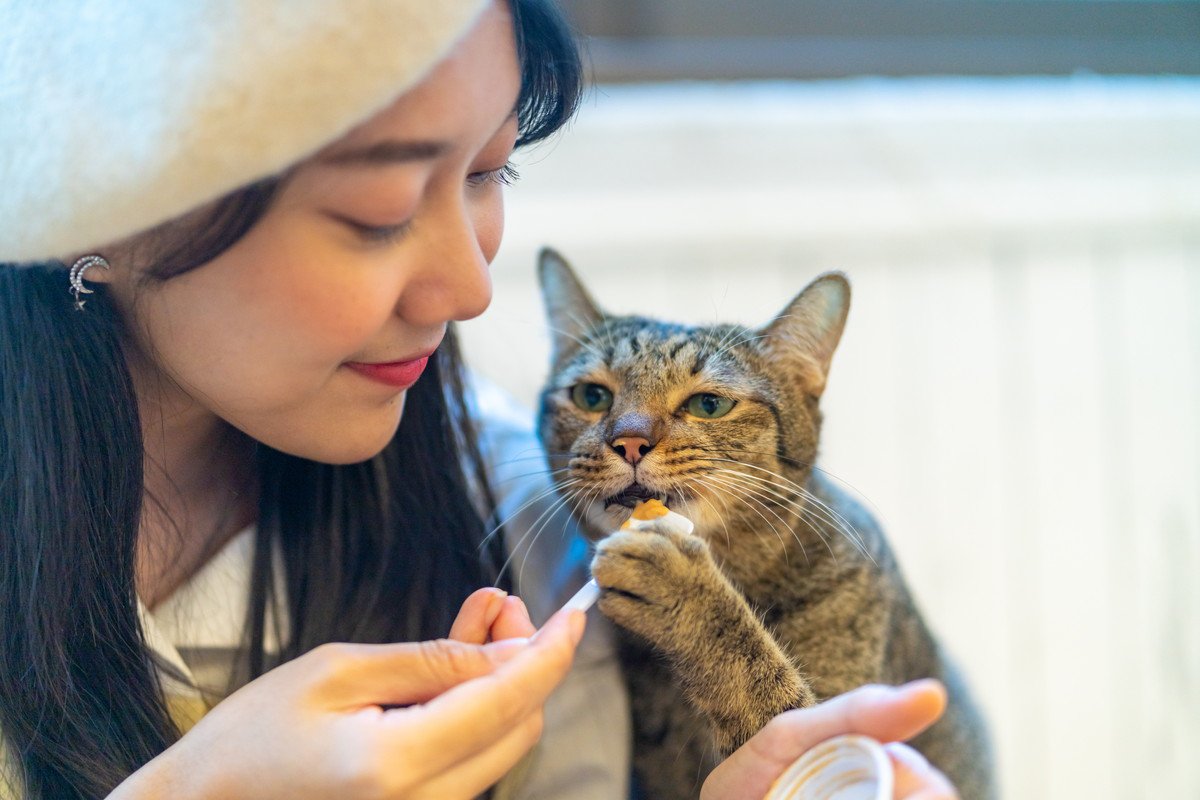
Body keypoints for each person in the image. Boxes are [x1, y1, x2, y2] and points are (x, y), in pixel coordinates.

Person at [0, 1, 961, 798]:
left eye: (488, 174)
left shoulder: (524, 531)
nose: (470, 291)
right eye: (375, 213)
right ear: (104, 199)